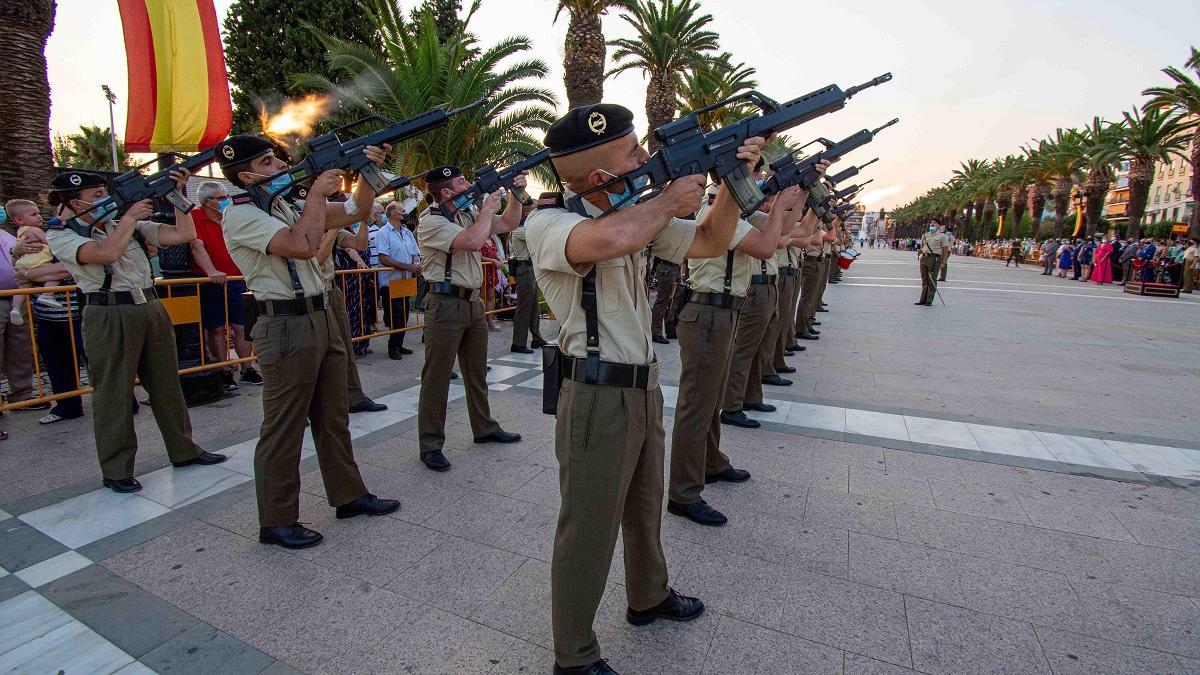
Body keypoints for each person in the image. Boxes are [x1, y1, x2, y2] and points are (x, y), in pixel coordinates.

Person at [526, 103, 764, 675]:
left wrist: (732, 181)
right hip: (596, 397)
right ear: (605, 177)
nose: (647, 160)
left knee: (642, 508)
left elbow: (711, 240)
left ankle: (648, 596)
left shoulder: (639, 217)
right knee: (588, 527)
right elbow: (604, 242)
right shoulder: (551, 222)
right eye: (635, 154)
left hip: (641, 389)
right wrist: (667, 200)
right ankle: (574, 655)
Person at [217, 134, 399, 548]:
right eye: (268, 163)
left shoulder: (287, 206)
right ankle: (277, 519)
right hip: (284, 325)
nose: (281, 165)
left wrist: (368, 168)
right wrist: (317, 191)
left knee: (333, 416)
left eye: (277, 158)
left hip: (319, 315)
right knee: (284, 425)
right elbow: (302, 246)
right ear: (245, 176)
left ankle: (349, 495)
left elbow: (357, 210)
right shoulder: (240, 215)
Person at [45, 170, 226, 492]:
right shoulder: (62, 234)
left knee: (167, 384)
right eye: (98, 194)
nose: (106, 199)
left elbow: (183, 235)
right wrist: (128, 218)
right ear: (75, 202)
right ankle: (117, 469)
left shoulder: (125, 225)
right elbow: (105, 254)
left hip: (149, 305)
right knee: (114, 392)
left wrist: (176, 195)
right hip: (109, 311)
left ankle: (184, 449)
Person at [670, 183, 811, 527]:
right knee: (697, 405)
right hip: (707, 313)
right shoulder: (716, 215)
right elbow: (766, 248)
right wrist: (779, 204)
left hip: (723, 311)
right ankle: (683, 493)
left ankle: (711, 462)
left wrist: (799, 196)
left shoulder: (736, 216)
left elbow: (785, 232)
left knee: (711, 398)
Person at [415, 165, 523, 472]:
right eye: (463, 182)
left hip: (472, 302)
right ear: (446, 192)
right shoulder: (430, 221)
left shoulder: (464, 215)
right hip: (445, 303)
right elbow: (473, 241)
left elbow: (508, 223)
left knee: (476, 372)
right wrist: (487, 207)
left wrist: (514, 194)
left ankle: (484, 427)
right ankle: (431, 444)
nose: (471, 185)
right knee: (436, 377)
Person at [7, 200, 83, 423]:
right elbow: (22, 266)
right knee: (56, 360)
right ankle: (67, 405)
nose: (59, 219)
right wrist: (15, 251)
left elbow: (70, 266)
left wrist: (32, 275)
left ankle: (123, 403)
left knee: (96, 359)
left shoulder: (81, 238)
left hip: (79, 311)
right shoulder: (45, 237)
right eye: (59, 214)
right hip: (48, 314)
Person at [189, 182, 262, 389]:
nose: (225, 201)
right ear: (207, 202)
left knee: (242, 326)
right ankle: (224, 370)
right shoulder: (194, 218)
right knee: (217, 328)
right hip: (209, 282)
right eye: (221, 198)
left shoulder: (231, 216)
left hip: (238, 280)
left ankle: (247, 368)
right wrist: (211, 271)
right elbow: (197, 245)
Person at [0, 206, 43, 413]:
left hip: (16, 296)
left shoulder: (8, 235)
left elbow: (21, 258)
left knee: (20, 347)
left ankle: (22, 394)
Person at [376, 201, 421, 359]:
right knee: (396, 314)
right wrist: (407, 267)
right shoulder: (383, 233)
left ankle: (399, 343)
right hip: (391, 281)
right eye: (402, 210)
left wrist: (415, 266)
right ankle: (393, 347)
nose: (405, 213)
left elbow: (415, 253)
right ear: (394, 213)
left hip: (406, 280)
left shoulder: (407, 232)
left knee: (405, 313)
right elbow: (384, 258)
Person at [508, 205, 546, 353]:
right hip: (524, 269)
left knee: (534, 306)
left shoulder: (525, 228)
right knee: (524, 308)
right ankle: (518, 343)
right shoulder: (519, 229)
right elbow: (537, 238)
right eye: (529, 210)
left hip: (530, 269)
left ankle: (536, 338)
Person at [916, 220, 949, 305]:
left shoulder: (942, 236)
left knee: (932, 280)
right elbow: (922, 246)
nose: (932, 224)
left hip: (934, 259)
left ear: (939, 226)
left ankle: (929, 300)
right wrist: (920, 251)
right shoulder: (925, 235)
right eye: (931, 223)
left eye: (934, 223)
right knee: (924, 280)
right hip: (924, 258)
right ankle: (922, 299)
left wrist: (943, 262)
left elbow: (945, 250)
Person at [648, 257, 679, 344]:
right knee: (663, 301)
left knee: (672, 301)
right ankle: (656, 333)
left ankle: (670, 330)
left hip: (673, 266)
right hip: (667, 266)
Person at [480, 233, 503, 331]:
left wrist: (499, 260)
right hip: (483, 271)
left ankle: (490, 322)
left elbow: (496, 254)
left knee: (490, 297)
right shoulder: (480, 240)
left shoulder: (492, 240)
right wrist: (493, 261)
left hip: (491, 271)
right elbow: (479, 257)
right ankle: (481, 322)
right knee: (481, 297)